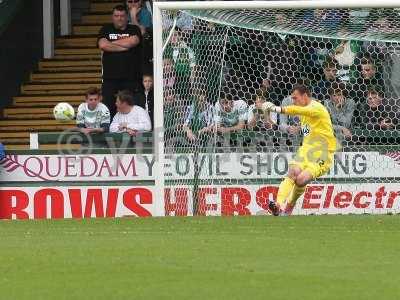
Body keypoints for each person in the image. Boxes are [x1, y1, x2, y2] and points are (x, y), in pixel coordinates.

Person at [263, 84, 337, 216]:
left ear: (305, 96)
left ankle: (289, 207)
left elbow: (297, 110)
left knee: (301, 179)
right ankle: (278, 204)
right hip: (306, 149)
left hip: (324, 153)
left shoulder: (316, 108)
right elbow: (305, 127)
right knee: (293, 172)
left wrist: (274, 109)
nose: (294, 101)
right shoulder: (304, 112)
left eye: (295, 98)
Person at [98, 5, 142, 118]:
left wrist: (111, 44)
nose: (119, 18)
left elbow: (133, 41)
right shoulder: (105, 29)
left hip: (130, 78)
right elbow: (103, 45)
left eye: (122, 16)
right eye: (116, 16)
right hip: (110, 79)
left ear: (126, 17)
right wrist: (125, 46)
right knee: (108, 108)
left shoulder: (134, 29)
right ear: (112, 17)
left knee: (131, 107)